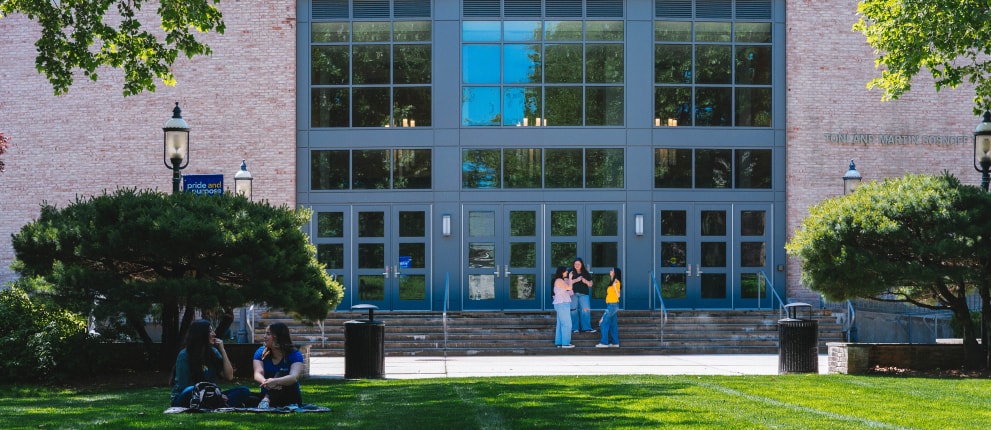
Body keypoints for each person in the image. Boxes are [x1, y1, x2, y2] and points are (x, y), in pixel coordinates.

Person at [170, 319, 252, 408]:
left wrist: (222, 350)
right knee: (189, 390)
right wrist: (214, 395)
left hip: (210, 396)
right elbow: (184, 386)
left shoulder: (213, 352)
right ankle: (217, 404)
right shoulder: (184, 355)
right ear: (200, 334)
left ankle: (213, 404)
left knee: (244, 391)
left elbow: (229, 376)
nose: (214, 334)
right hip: (187, 397)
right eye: (210, 331)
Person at [253, 322, 305, 408]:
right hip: (267, 391)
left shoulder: (295, 354)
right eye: (265, 333)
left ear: (278, 337)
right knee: (244, 393)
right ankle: (266, 400)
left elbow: (294, 377)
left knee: (282, 373)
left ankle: (266, 400)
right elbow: (258, 374)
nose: (264, 336)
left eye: (268, 334)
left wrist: (275, 381)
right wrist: (267, 383)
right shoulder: (260, 352)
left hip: (290, 396)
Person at [596, 267, 622, 348]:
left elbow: (618, 295)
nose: (610, 271)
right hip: (611, 305)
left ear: (615, 273)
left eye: (612, 270)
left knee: (603, 322)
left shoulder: (616, 282)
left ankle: (604, 342)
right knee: (613, 324)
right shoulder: (612, 282)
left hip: (612, 305)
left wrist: (614, 286)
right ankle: (615, 343)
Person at [551, 266, 575, 348]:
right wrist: (571, 278)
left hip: (560, 304)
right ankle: (565, 343)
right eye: (566, 271)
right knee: (567, 324)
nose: (567, 273)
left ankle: (559, 342)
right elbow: (570, 287)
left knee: (561, 324)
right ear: (562, 272)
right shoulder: (559, 280)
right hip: (562, 304)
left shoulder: (559, 280)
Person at [569, 257, 595, 333]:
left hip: (584, 294)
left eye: (578, 264)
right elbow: (566, 283)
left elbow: (590, 284)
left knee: (586, 310)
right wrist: (576, 280)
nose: (577, 265)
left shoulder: (585, 272)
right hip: (573, 294)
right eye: (575, 264)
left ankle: (586, 328)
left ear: (581, 265)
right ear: (573, 265)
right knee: (573, 311)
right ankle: (574, 328)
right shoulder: (570, 272)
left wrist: (585, 281)